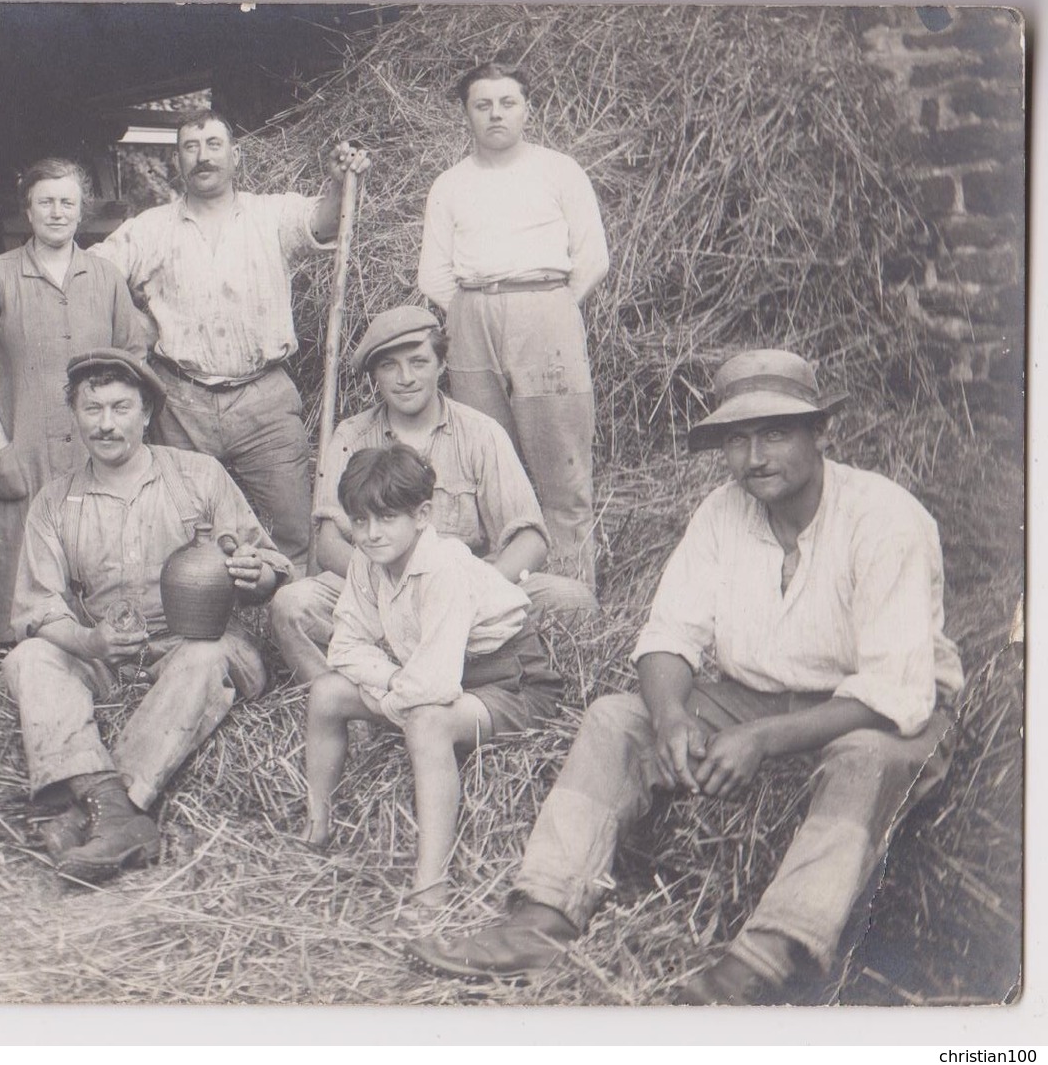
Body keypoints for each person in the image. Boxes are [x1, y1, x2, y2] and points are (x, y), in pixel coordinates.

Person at [406, 350, 964, 1006]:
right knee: (616, 719)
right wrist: (672, 717)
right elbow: (668, 637)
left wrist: (761, 739)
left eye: (775, 433)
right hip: (751, 693)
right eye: (735, 438)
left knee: (865, 763)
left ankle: (763, 962)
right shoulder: (720, 512)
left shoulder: (885, 520)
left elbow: (893, 693)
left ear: (821, 434)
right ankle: (541, 916)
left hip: (876, 711)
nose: (753, 456)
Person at [3, 349, 291, 883]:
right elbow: (37, 608)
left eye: (120, 408)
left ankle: (112, 810)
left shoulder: (198, 476)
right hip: (108, 654)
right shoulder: (54, 501)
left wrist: (256, 575)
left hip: (196, 644)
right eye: (92, 409)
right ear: (74, 413)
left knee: (205, 658)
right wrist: (89, 642)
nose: (106, 424)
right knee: (31, 657)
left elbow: (269, 567)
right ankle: (113, 809)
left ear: (146, 414)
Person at [90, 109, 371, 567]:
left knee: (296, 532)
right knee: (181, 531)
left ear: (235, 156)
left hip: (263, 398)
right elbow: (95, 274)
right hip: (181, 402)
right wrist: (134, 323)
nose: (203, 157)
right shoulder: (151, 228)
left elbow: (322, 221)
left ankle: (292, 618)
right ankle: (199, 621)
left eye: (214, 145)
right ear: (178, 161)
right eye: (190, 147)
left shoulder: (270, 214)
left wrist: (339, 181)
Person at [302, 445, 564, 920]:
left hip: (511, 681)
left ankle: (431, 886)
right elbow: (345, 647)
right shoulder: (368, 560)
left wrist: (388, 696)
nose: (371, 533)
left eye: (385, 518)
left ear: (422, 515)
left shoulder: (443, 567)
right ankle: (316, 828)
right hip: (426, 676)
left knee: (426, 725)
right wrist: (390, 683)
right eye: (359, 522)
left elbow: (437, 687)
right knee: (326, 692)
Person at [270, 305, 596, 683]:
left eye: (419, 361)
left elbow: (531, 539)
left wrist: (478, 586)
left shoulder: (481, 433)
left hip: (473, 589)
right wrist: (390, 589)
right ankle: (353, 698)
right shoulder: (351, 436)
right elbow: (328, 543)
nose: (405, 378)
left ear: (442, 364)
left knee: (574, 601)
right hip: (378, 588)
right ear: (374, 374)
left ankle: (479, 673)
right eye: (389, 366)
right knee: (292, 605)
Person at [417, 59, 609, 589]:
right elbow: (433, 272)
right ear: (466, 114)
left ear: (527, 109)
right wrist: (470, 310)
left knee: (562, 459)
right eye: (482, 105)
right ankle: (502, 593)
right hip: (470, 313)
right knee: (485, 455)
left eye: (507, 103)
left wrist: (553, 307)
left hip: (545, 309)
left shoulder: (559, 170)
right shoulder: (449, 184)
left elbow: (592, 256)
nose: (495, 114)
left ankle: (573, 592)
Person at [0, 158, 148, 647]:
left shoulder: (105, 278)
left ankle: (99, 647)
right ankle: (15, 654)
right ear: (28, 210)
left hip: (94, 449)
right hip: (24, 445)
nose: (57, 213)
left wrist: (121, 437)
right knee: (16, 549)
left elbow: (133, 362)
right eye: (46, 202)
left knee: (96, 546)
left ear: (82, 211)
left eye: (68, 202)